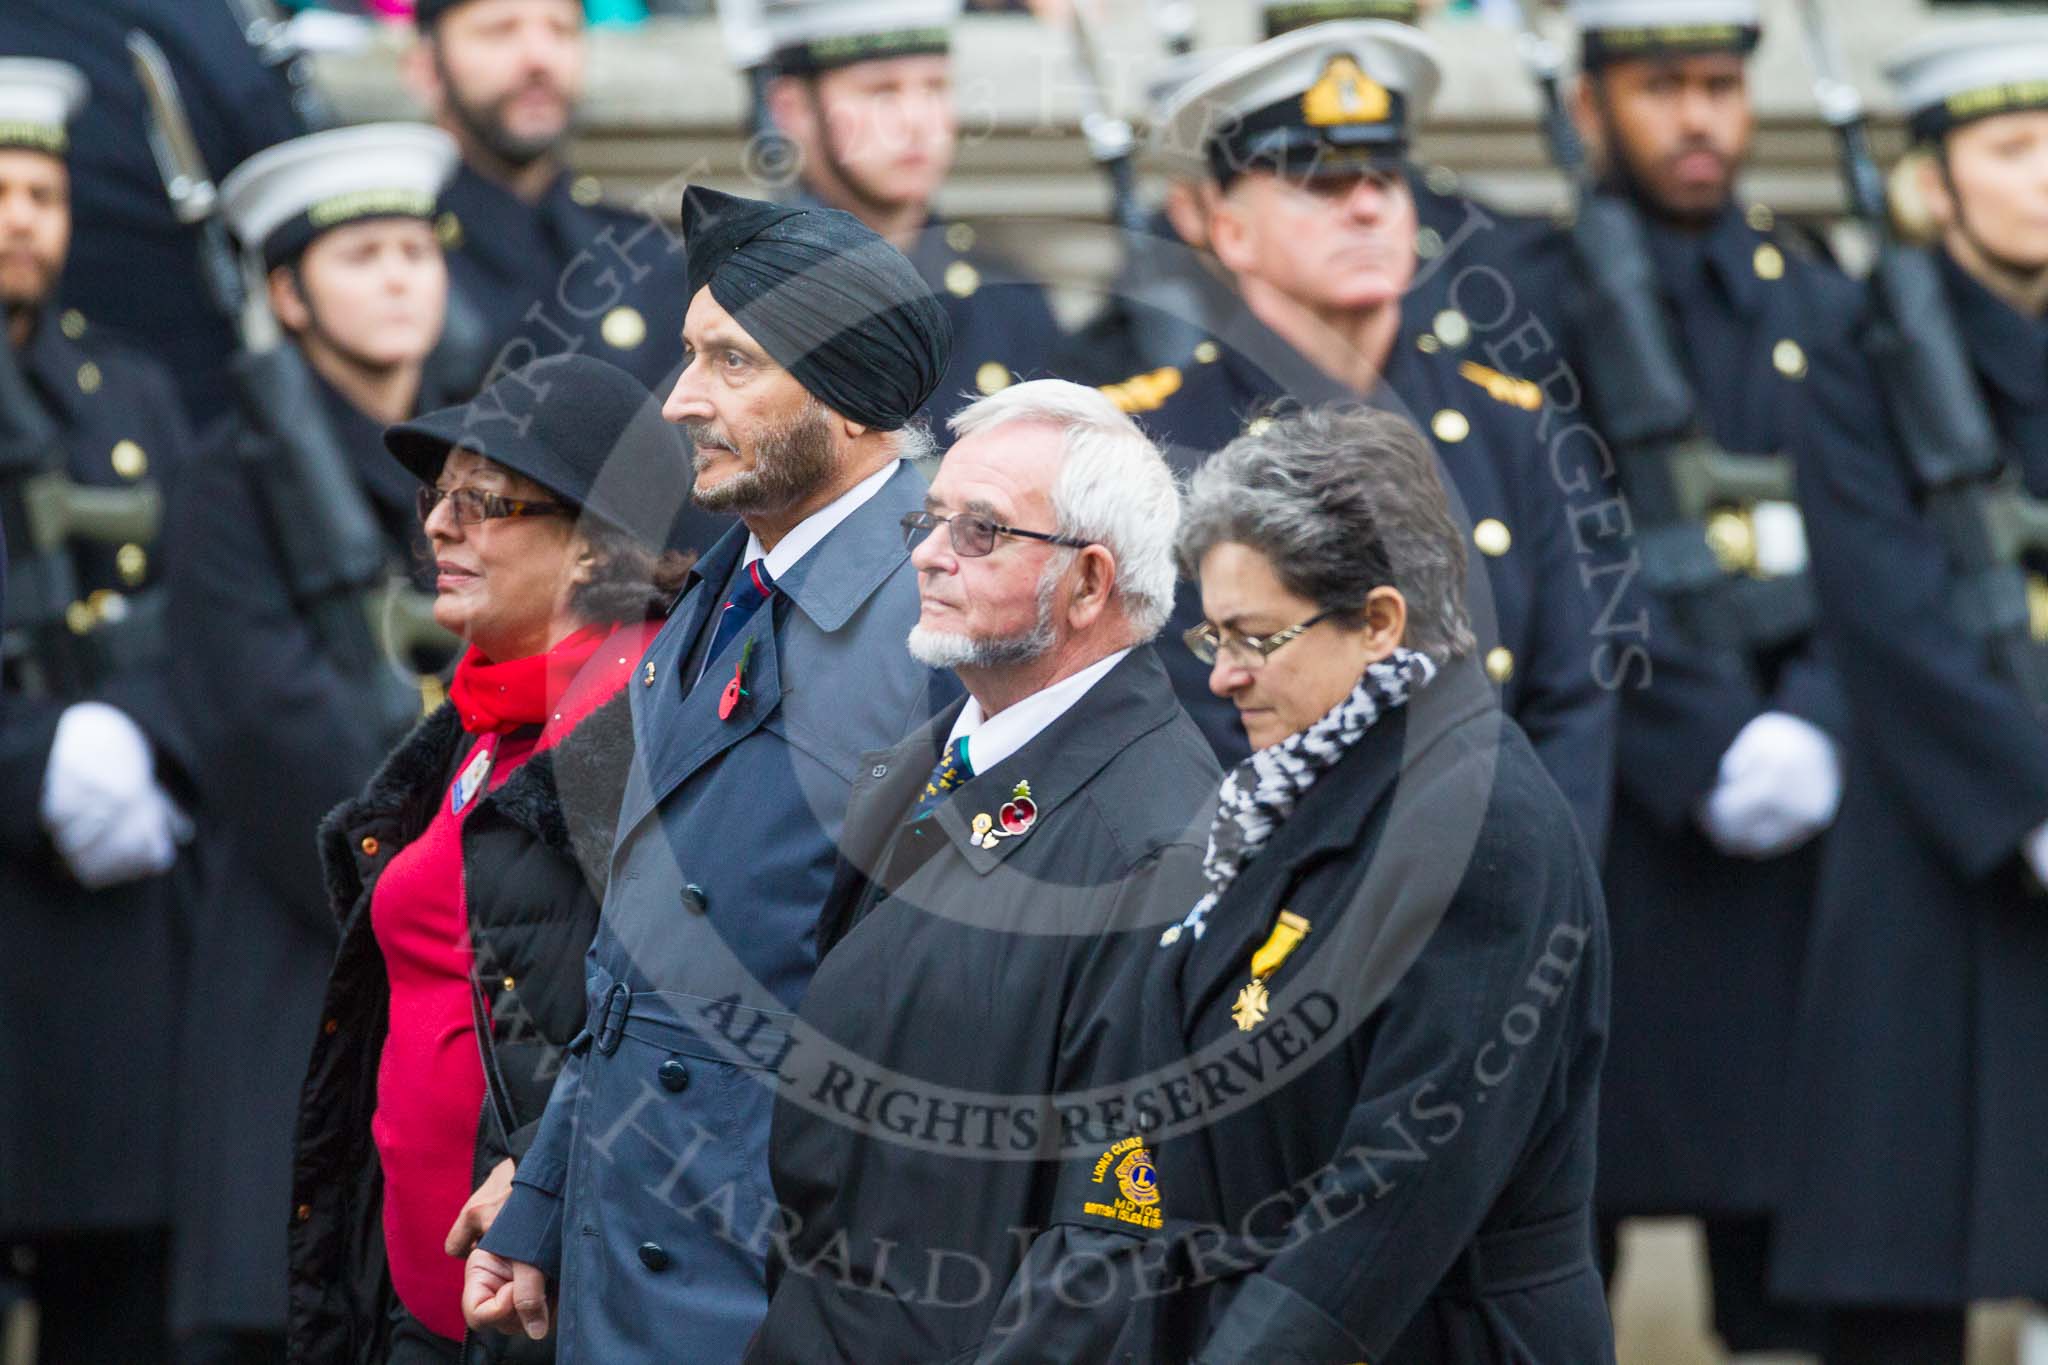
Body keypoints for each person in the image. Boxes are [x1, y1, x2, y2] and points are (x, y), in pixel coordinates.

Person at [463, 185, 959, 1362]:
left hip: (786, 1281)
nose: (681, 401)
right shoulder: (727, 584)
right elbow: (633, 957)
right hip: (636, 1250)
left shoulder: (940, 618)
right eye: (690, 356)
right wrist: (542, 1198)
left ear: (851, 400)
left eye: (732, 363)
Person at [1477, 3, 1859, 1351]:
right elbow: (1538, 554)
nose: (1696, 116)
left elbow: (1891, 533)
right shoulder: (1519, 296)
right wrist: (1697, 745)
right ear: (1587, 106)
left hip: (1803, 821)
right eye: (1659, 86)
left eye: (1716, 84)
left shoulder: (1817, 293)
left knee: (1800, 1261)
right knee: (1570, 1234)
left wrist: (1817, 717)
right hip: (1621, 821)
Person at [1083, 405, 1612, 1362]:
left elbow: (1392, 1191)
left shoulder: (1477, 827)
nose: (1224, 679)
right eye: (1215, 641)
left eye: (1255, 638)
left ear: (1378, 622)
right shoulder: (1299, 782)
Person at [746, 380, 1218, 1362]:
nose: (926, 552)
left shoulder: (1156, 841)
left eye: (981, 531)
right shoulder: (923, 760)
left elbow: (1107, 1244)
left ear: (1089, 583)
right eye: (930, 518)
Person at [1103, 19, 1615, 853]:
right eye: (1320, 183)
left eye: (1383, 175)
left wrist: (1520, 884)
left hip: (1500, 891)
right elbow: (1182, 720)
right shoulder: (1153, 439)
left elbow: (1573, 696)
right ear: (1228, 231)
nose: (1368, 204)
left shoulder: (1507, 421)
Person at [285, 355, 692, 1365]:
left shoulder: (639, 724)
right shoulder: (486, 720)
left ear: (598, 543)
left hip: (538, 1314)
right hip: (413, 1303)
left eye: (485, 502)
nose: (435, 528)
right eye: (438, 497)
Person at [1773, 20, 2048, 1364]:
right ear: (1934, 180)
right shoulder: (1864, 340)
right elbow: (1884, 607)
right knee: (1899, 1265)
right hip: (1937, 837)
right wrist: (2029, 803)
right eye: (2012, 148)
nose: (2046, 174)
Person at [163, 122, 460, 1365]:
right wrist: (429, 848)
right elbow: (258, 716)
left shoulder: (473, 465)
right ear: (285, 293)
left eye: (414, 247)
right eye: (361, 255)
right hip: (308, 934)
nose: (400, 275)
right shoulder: (230, 475)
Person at [0, 56, 195, 1365]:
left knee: (111, 1280)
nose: (22, 216)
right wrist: (24, 759)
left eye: (44, 190)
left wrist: (134, 722)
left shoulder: (127, 393)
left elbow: (203, 600)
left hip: (100, 919)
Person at [756, 0, 1068, 434]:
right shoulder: (729, 308)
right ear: (792, 109)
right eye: (881, 91)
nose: (917, 121)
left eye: (936, 86)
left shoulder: (1010, 306)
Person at [404, 0, 692, 397]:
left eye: (560, 29)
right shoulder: (399, 260)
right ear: (425, 67)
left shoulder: (646, 253)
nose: (539, 58)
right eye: (499, 30)